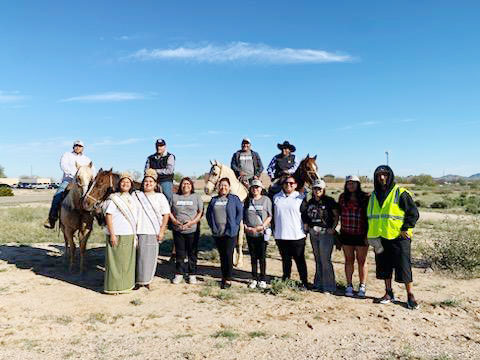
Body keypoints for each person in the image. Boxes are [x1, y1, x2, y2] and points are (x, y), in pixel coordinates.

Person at [367, 165, 420, 309]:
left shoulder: (400, 193)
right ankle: (388, 293)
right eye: (379, 175)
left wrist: (406, 228)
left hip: (399, 237)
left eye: (385, 175)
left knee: (404, 267)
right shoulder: (373, 195)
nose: (382, 178)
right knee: (384, 267)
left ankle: (410, 296)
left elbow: (413, 213)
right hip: (380, 237)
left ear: (390, 176)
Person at [44, 140, 95, 229]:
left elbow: (92, 170)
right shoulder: (67, 155)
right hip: (69, 180)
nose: (78, 147)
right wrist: (75, 175)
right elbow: (63, 165)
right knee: (57, 196)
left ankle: (101, 219)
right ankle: (52, 219)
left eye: (80, 146)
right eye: (76, 145)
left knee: (95, 197)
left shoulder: (87, 159)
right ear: (73, 146)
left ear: (83, 148)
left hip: (84, 183)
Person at [133, 169, 170, 289]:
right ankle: (137, 280)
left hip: (152, 231)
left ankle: (147, 280)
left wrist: (162, 231)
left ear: (155, 184)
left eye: (151, 181)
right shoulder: (136, 195)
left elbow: (166, 215)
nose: (148, 183)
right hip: (137, 230)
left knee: (149, 258)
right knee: (137, 257)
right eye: (146, 181)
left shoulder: (160, 197)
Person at [301, 179, 339, 293]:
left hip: (325, 233)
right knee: (317, 259)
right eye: (315, 188)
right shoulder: (310, 202)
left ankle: (329, 286)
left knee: (325, 259)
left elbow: (336, 215)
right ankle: (318, 283)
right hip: (313, 232)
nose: (317, 190)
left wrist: (333, 228)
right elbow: (306, 215)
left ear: (323, 190)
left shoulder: (329, 201)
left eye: (319, 189)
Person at [103, 173, 138, 294]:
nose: (125, 184)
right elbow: (109, 215)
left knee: (127, 262)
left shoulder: (133, 198)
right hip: (117, 233)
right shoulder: (114, 198)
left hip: (129, 234)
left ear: (131, 184)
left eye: (128, 182)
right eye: (123, 182)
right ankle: (114, 287)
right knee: (115, 262)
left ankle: (126, 286)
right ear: (119, 184)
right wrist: (112, 234)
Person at [206, 177, 243, 289]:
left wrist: (235, 225)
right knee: (222, 256)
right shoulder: (214, 200)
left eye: (225, 185)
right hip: (218, 232)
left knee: (228, 254)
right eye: (221, 185)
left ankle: (228, 278)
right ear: (218, 187)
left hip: (230, 232)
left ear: (229, 187)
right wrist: (213, 226)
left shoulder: (234, 199)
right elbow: (208, 215)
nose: (223, 187)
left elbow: (239, 212)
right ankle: (223, 276)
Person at [273, 175, 308, 288]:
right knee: (285, 260)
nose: (288, 185)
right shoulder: (276, 197)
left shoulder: (300, 197)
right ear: (282, 185)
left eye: (291, 183)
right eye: (286, 183)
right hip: (281, 235)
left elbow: (305, 216)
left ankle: (304, 281)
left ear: (296, 185)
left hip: (297, 235)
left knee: (300, 260)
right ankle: (286, 279)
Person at [338, 175, 370, 297]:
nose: (351, 185)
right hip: (346, 234)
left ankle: (362, 285)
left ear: (358, 184)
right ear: (346, 185)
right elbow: (338, 214)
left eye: (354, 183)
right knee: (348, 260)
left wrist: (368, 235)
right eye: (349, 183)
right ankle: (349, 285)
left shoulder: (365, 197)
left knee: (362, 261)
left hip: (361, 234)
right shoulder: (342, 197)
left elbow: (369, 216)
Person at [170, 177, 204, 285]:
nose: (186, 186)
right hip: (178, 229)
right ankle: (179, 274)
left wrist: (192, 223)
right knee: (180, 253)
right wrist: (175, 221)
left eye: (188, 184)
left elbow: (200, 212)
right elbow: (169, 211)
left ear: (191, 186)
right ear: (180, 186)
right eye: (184, 184)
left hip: (192, 229)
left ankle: (192, 274)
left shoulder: (196, 197)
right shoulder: (174, 197)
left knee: (192, 253)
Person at [243, 179, 272, 289]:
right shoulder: (247, 201)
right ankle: (254, 278)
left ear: (261, 189)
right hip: (250, 233)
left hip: (261, 233)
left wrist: (262, 226)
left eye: (257, 187)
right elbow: (243, 215)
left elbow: (269, 216)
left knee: (262, 257)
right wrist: (245, 226)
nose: (255, 189)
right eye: (253, 187)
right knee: (253, 257)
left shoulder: (266, 200)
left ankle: (263, 279)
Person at [144, 138, 175, 204]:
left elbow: (169, 171)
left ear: (165, 146)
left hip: (165, 180)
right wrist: (149, 173)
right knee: (140, 193)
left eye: (161, 146)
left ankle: (169, 210)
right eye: (157, 146)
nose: (159, 147)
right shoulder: (150, 158)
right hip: (151, 179)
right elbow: (146, 170)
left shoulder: (170, 156)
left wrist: (154, 171)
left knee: (167, 195)